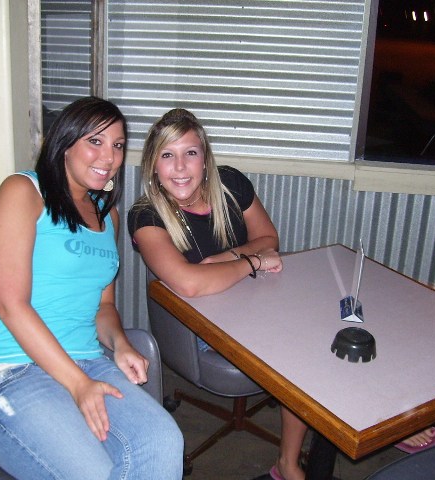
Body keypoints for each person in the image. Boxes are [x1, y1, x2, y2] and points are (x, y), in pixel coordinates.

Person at [0, 96, 184, 480]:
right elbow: (10, 305)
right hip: (16, 371)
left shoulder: (108, 215)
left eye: (118, 145)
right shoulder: (23, 191)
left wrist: (120, 344)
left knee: (164, 441)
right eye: (95, 141)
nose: (109, 157)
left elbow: (103, 307)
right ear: (65, 143)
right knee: (96, 472)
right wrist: (77, 383)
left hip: (90, 362)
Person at [128, 108, 308, 480]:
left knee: (318, 324)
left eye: (190, 153)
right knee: (300, 351)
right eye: (167, 155)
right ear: (153, 166)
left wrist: (222, 259)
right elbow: (190, 284)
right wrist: (252, 262)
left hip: (253, 302)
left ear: (205, 159)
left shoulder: (230, 184)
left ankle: (378, 420)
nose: (180, 167)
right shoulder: (145, 216)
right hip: (196, 324)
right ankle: (289, 465)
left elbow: (269, 238)